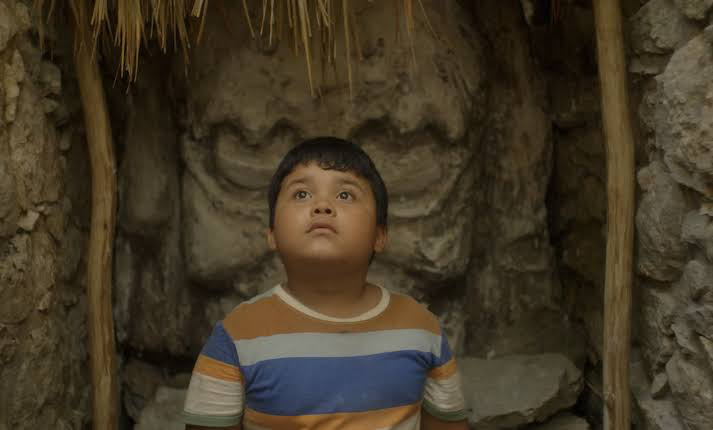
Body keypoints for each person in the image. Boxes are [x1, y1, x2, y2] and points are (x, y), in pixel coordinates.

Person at [183, 137, 469, 430]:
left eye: (345, 195)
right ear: (272, 234)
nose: (322, 206)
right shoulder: (236, 336)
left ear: (379, 236)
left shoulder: (422, 329)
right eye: (301, 194)